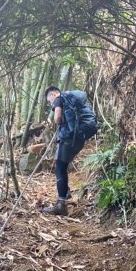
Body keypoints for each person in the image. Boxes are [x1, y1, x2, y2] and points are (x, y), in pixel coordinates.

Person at [43, 86, 97, 215]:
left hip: (68, 138)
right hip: (80, 138)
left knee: (60, 167)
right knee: (63, 164)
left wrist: (58, 121)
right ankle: (65, 192)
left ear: (54, 94)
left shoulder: (59, 98)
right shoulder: (73, 99)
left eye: (49, 100)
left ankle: (61, 204)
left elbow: (57, 118)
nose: (51, 103)